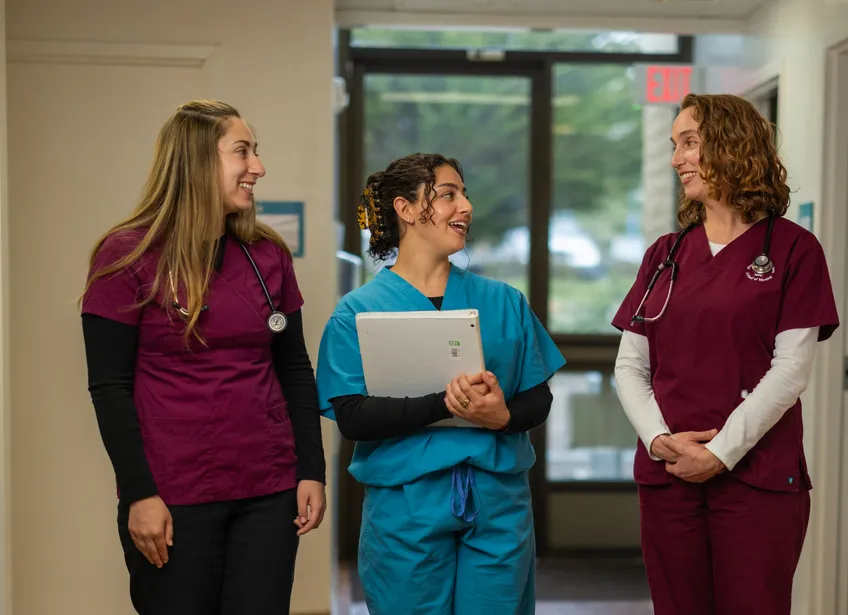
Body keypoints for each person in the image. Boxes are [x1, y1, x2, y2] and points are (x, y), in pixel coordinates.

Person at [79, 100, 326, 615]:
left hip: (268, 486)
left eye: (255, 152)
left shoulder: (266, 254)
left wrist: (311, 469)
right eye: (242, 152)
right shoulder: (126, 257)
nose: (257, 167)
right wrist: (140, 495)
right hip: (173, 493)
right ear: (196, 161)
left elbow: (295, 371)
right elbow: (110, 386)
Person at [612, 92, 839, 615]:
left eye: (689, 142)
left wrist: (718, 454)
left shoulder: (794, 251)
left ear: (732, 145)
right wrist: (661, 440)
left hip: (756, 479)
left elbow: (791, 370)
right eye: (674, 145)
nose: (676, 159)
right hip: (668, 477)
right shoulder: (665, 254)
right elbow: (630, 365)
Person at [315, 153, 565, 615]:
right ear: (405, 209)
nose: (465, 206)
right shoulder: (358, 312)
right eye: (449, 195)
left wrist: (503, 416)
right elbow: (352, 416)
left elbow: (538, 395)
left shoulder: (504, 301)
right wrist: (447, 404)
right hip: (405, 506)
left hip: (496, 502)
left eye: (464, 194)